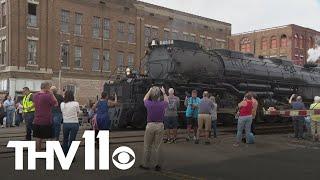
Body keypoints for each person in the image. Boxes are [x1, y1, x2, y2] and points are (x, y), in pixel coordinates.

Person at [140, 86, 168, 171]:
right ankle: (158, 165)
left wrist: (149, 90)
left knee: (147, 146)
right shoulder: (163, 104)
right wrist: (163, 92)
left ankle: (145, 164)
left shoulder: (149, 104)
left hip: (150, 125)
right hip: (160, 125)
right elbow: (167, 100)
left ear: (151, 96)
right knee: (158, 146)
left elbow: (145, 98)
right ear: (159, 96)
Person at [33, 82, 58, 151]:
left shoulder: (35, 95)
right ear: (46, 87)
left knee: (38, 137)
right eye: (49, 87)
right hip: (46, 120)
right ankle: (48, 152)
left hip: (37, 119)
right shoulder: (48, 96)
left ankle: (38, 151)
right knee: (50, 137)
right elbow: (56, 104)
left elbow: (35, 104)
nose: (50, 88)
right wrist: (52, 94)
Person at [61, 90, 80, 155]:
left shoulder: (62, 104)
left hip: (65, 123)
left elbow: (62, 112)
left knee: (65, 139)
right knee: (72, 140)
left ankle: (65, 153)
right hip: (74, 123)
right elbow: (78, 112)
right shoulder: (76, 103)